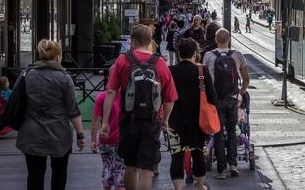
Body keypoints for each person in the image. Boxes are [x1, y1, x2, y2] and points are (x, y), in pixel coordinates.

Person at [102, 25, 178, 190]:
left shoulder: (122, 60)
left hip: (128, 119)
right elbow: (170, 98)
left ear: (133, 41)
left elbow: (110, 93)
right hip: (152, 120)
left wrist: (105, 122)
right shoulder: (160, 63)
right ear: (150, 41)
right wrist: (165, 119)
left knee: (130, 165)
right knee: (146, 169)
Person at [16, 39, 85, 190]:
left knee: (34, 175)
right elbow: (72, 109)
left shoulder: (27, 75)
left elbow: (17, 102)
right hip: (59, 134)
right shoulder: (64, 78)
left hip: (32, 133)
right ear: (57, 56)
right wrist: (80, 135)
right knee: (59, 174)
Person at [168, 39, 216, 190]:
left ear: (178, 53)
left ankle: (179, 188)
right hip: (198, 121)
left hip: (174, 121)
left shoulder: (170, 71)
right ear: (195, 54)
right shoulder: (202, 71)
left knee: (176, 157)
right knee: (198, 154)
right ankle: (200, 186)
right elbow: (213, 98)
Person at [203, 28, 251, 179]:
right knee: (232, 130)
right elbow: (246, 78)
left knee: (217, 131)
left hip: (215, 99)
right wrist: (241, 91)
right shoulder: (237, 55)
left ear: (216, 40)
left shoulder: (208, 56)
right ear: (229, 39)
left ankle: (221, 170)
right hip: (232, 98)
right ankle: (233, 165)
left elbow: (204, 79)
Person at [91, 89, 125, 190]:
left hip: (105, 140)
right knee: (120, 171)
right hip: (121, 140)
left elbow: (96, 118)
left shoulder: (101, 96)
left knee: (107, 168)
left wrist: (93, 139)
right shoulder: (126, 96)